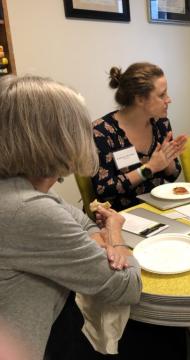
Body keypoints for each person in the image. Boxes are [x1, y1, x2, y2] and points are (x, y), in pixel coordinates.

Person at [0, 75, 142, 360]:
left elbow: (84, 222)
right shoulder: (28, 211)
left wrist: (94, 240)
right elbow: (127, 285)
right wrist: (114, 233)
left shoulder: (20, 189)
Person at [92, 62, 187, 211]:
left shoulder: (161, 124)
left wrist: (168, 160)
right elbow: (104, 189)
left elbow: (173, 175)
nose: (169, 99)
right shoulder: (102, 131)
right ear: (140, 99)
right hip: (121, 217)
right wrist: (149, 168)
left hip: (159, 210)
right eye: (162, 95)